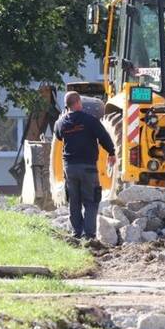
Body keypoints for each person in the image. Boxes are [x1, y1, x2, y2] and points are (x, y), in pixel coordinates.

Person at [54, 91, 116, 241]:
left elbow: (58, 136)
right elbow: (103, 136)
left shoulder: (60, 123)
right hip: (88, 167)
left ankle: (76, 233)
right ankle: (89, 236)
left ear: (67, 105)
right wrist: (111, 152)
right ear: (78, 103)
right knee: (91, 201)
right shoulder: (90, 120)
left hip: (70, 168)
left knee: (74, 202)